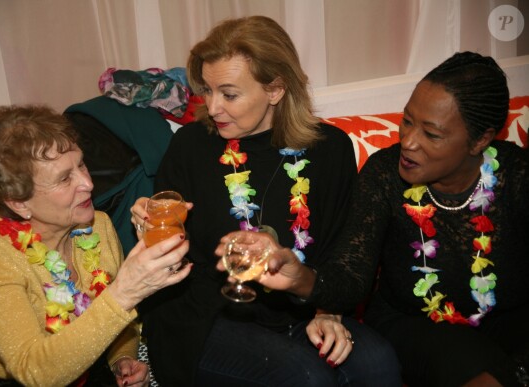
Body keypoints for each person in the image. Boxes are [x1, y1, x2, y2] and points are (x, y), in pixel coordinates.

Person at [221, 51, 529, 386]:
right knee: (476, 368)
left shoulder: (518, 177)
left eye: (432, 134)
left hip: (510, 320)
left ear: (480, 140)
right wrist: (299, 278)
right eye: (407, 121)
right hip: (413, 323)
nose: (408, 142)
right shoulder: (385, 173)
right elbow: (349, 278)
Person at [131, 15, 401, 386]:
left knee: (378, 364)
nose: (212, 107)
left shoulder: (329, 149)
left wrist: (327, 311)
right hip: (209, 315)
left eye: (229, 94)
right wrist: (151, 227)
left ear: (275, 90)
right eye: (207, 91)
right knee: (307, 378)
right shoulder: (191, 146)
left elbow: (342, 253)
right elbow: (169, 256)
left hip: (301, 310)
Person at [0, 105, 191, 386]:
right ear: (18, 202)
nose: (88, 183)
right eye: (65, 179)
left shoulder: (96, 224)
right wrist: (124, 293)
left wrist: (120, 358)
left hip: (82, 370)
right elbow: (34, 373)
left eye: (81, 165)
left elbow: (107, 319)